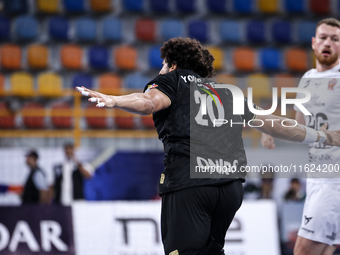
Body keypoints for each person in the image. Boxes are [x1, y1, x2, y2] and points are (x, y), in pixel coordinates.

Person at [76, 37, 340, 255]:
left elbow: (149, 102)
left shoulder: (172, 80)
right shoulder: (227, 91)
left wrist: (114, 100)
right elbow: (275, 124)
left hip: (190, 185)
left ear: (173, 64)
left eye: (163, 64)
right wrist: (321, 136)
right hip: (230, 189)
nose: (160, 69)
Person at [261, 18, 340, 255]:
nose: (328, 43)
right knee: (325, 250)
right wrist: (269, 127)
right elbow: (298, 128)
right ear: (314, 43)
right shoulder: (307, 78)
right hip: (317, 178)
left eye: (335, 39)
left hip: (334, 181)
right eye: (324, 37)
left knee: (303, 251)